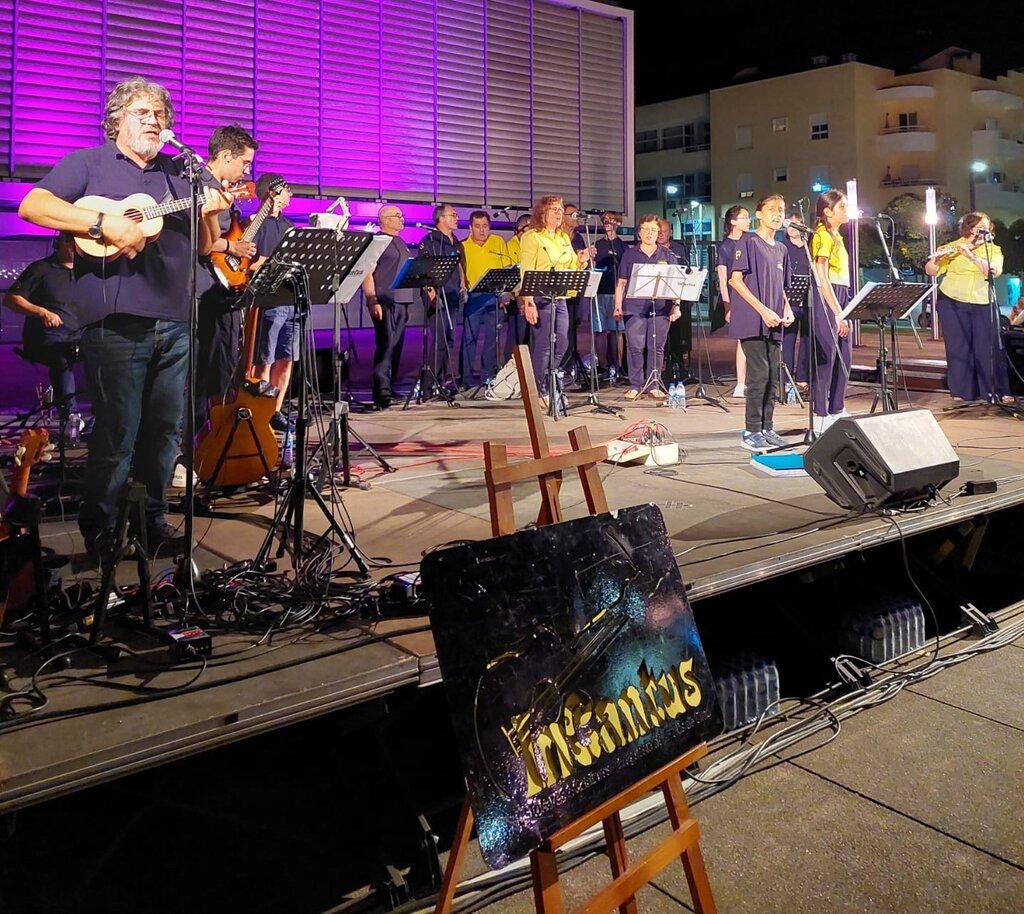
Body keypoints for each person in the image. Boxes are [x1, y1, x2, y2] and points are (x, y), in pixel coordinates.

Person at [17, 75, 229, 562]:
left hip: (177, 320)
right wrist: (101, 222)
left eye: (161, 115)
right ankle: (103, 529)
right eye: (143, 112)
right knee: (117, 433)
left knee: (164, 432)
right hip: (114, 323)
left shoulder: (181, 173)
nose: (155, 121)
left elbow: (201, 247)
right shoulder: (88, 163)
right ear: (116, 121)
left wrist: (210, 208)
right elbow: (33, 204)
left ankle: (152, 521)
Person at [193, 125, 258, 430]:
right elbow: (200, 243)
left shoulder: (221, 190)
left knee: (219, 365)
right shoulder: (198, 184)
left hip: (219, 288)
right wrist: (232, 245)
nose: (246, 171)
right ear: (226, 155)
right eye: (245, 163)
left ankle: (214, 431)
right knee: (199, 368)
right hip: (197, 290)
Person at [727, 195, 795, 450]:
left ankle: (767, 426)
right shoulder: (747, 242)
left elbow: (783, 287)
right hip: (752, 319)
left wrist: (786, 308)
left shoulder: (782, 248)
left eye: (781, 210)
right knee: (759, 373)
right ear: (759, 214)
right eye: (772, 210)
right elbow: (735, 280)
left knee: (774, 376)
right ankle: (751, 430)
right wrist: (762, 309)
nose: (777, 214)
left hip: (774, 320)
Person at [924, 211, 1009, 403]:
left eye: (988, 228)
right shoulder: (952, 247)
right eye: (981, 228)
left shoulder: (993, 250)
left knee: (988, 348)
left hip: (983, 302)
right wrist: (935, 260)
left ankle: (994, 391)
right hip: (952, 301)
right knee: (958, 348)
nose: (985, 232)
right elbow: (932, 271)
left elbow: (992, 271)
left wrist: (971, 255)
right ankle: (962, 392)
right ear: (970, 229)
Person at [519, 195, 590, 406]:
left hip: (560, 297)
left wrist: (580, 261)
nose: (559, 214)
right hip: (540, 297)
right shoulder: (532, 237)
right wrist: (528, 302)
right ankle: (540, 391)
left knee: (562, 343)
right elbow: (526, 270)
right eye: (554, 210)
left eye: (560, 210)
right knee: (544, 345)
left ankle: (551, 382)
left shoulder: (563, 238)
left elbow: (570, 268)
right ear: (542, 214)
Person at [3, 232, 81, 425]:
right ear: (58, 242)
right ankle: (71, 416)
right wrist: (41, 312)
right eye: (68, 241)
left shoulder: (86, 271)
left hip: (78, 337)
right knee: (62, 357)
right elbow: (11, 299)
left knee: (110, 355)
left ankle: (105, 418)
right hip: (47, 339)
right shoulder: (41, 269)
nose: (73, 246)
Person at [613, 214, 682, 401]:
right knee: (635, 347)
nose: (650, 233)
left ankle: (654, 384)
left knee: (657, 347)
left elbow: (676, 283)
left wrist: (676, 306)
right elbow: (621, 283)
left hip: (661, 308)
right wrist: (617, 306)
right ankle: (635, 385)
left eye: (653, 230)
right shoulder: (630, 254)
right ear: (639, 232)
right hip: (634, 307)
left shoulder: (667, 255)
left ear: (659, 232)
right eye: (646, 229)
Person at [249, 174, 296, 430]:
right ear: (272, 193)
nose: (290, 194)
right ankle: (260, 410)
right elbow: (248, 262)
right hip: (269, 299)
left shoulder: (288, 226)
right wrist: (269, 262)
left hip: (290, 299)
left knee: (286, 358)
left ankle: (275, 410)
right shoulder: (256, 225)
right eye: (287, 190)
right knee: (264, 359)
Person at [362, 204, 414, 410]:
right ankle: (381, 392)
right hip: (385, 301)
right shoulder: (378, 241)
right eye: (397, 216)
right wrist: (372, 299)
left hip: (401, 302)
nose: (402, 219)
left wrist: (407, 304)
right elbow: (367, 273)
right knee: (386, 346)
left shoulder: (400, 242)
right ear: (384, 219)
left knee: (397, 347)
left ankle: (390, 387)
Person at [809, 189, 853, 432]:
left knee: (845, 354)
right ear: (827, 212)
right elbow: (821, 276)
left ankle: (837, 406)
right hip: (828, 295)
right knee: (828, 354)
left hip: (842, 293)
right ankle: (820, 412)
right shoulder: (821, 235)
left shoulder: (838, 236)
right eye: (842, 206)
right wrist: (836, 310)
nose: (846, 210)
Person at [418, 203, 467, 389]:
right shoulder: (430, 240)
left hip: (453, 294)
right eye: (452, 215)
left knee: (450, 337)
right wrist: (430, 293)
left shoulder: (456, 241)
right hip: (437, 295)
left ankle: (443, 380)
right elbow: (424, 269)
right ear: (441, 218)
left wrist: (463, 284)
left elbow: (459, 264)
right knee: (439, 338)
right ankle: (429, 384)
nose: (456, 218)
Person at [459, 211, 509, 389]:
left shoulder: (498, 242)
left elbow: (506, 268)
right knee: (469, 339)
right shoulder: (463, 246)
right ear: (470, 228)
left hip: (494, 296)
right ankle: (465, 379)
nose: (481, 230)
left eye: (485, 226)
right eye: (477, 226)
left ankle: (488, 375)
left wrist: (506, 293)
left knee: (492, 338)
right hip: (473, 297)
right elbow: (461, 272)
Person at [716, 206, 750, 397]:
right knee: (742, 339)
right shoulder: (725, 247)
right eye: (744, 217)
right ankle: (740, 382)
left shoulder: (751, 241)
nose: (748, 220)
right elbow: (722, 278)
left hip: (753, 295)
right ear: (733, 221)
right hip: (736, 297)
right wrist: (727, 304)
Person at [591, 211, 627, 383]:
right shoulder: (597, 244)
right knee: (600, 330)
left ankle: (618, 366)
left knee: (617, 331)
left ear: (617, 224)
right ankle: (602, 366)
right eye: (604, 220)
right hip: (599, 292)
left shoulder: (622, 246)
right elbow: (592, 267)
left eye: (610, 220)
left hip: (615, 293)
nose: (606, 222)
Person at [657, 217, 692, 381]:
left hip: (678, 297)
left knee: (679, 334)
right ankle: (660, 368)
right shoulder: (654, 250)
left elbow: (686, 270)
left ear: (670, 232)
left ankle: (678, 365)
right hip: (659, 299)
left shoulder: (679, 248)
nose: (661, 234)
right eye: (658, 231)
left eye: (664, 231)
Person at [781, 214, 811, 395]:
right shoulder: (783, 248)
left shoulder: (810, 248)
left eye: (795, 224)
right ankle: (786, 380)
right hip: (789, 301)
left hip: (808, 301)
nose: (791, 228)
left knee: (807, 340)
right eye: (788, 225)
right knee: (788, 340)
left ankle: (802, 378)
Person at [504, 213, 532, 362]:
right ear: (520, 229)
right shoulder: (511, 246)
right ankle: (511, 367)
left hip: (532, 296)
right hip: (517, 299)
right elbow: (512, 273)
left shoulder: (533, 243)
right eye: (531, 227)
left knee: (530, 336)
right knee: (516, 336)